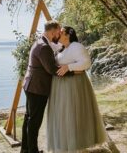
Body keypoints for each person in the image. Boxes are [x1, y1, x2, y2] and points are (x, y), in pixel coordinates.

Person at [47, 26, 115, 153]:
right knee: (63, 115)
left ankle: (76, 145)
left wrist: (69, 67)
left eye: (61, 32)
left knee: (73, 114)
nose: (58, 33)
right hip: (61, 87)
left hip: (74, 86)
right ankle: (65, 145)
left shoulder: (76, 46)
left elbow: (86, 63)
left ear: (68, 35)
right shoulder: (61, 49)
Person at [20, 21, 73, 153]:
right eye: (58, 31)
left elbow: (53, 53)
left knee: (29, 118)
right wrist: (72, 71)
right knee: (34, 121)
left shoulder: (41, 42)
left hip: (31, 85)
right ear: (52, 31)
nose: (59, 34)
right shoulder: (44, 46)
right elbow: (52, 69)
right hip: (37, 87)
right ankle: (32, 151)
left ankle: (25, 149)